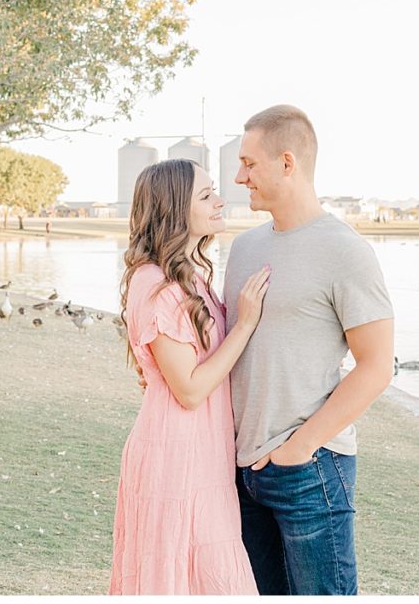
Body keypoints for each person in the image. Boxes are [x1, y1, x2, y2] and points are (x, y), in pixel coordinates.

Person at [225, 104, 394, 595]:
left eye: (249, 164)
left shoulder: (345, 250)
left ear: (286, 163)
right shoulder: (244, 248)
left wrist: (299, 447)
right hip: (241, 470)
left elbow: (377, 366)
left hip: (310, 471)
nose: (239, 177)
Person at [109, 158, 270, 595]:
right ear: (174, 209)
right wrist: (245, 323)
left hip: (202, 453)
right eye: (205, 195)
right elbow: (191, 389)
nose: (220, 201)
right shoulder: (154, 282)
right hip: (175, 456)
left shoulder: (190, 274)